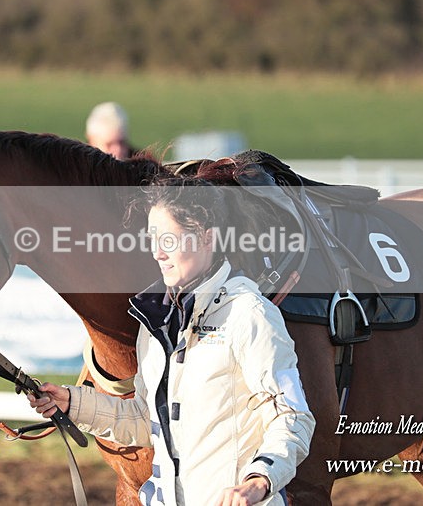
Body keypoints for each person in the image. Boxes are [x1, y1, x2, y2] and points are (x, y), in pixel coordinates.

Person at [29, 177, 315, 505]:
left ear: (207, 238)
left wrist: (260, 479)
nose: (157, 253)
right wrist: (72, 403)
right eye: (152, 239)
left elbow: (293, 418)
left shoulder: (250, 314)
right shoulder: (155, 322)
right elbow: (142, 420)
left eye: (169, 240)